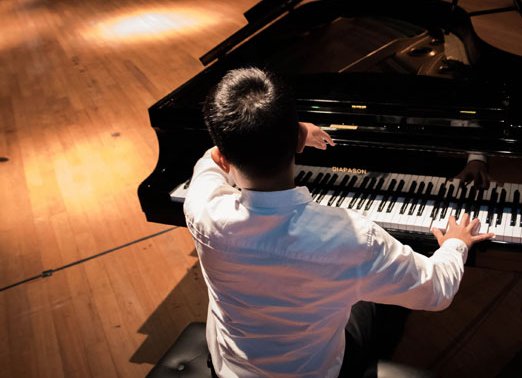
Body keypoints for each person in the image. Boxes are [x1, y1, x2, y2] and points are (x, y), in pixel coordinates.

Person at [184, 67, 494, 378]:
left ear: (226, 158)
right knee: (380, 302)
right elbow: (437, 291)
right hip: (318, 373)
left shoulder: (201, 207)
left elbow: (209, 160)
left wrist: (288, 131)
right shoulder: (353, 238)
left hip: (229, 367)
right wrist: (456, 244)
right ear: (297, 142)